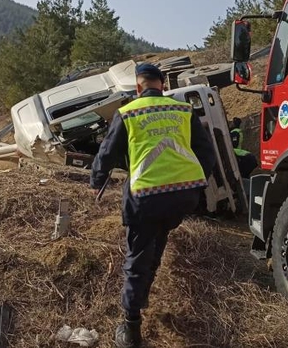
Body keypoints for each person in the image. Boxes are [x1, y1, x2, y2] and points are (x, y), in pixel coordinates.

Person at [90, 63, 216, 348]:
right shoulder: (183, 111)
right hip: (183, 197)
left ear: (138, 87)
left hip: (146, 197)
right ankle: (147, 283)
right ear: (163, 86)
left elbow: (106, 153)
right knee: (158, 238)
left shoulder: (128, 113)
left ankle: (131, 328)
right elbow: (207, 153)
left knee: (136, 258)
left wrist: (97, 180)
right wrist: (196, 183)